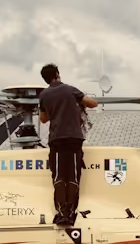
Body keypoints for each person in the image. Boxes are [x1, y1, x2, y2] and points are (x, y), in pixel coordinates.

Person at [38, 63, 99, 226]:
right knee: (72, 176)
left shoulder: (44, 95)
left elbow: (43, 119)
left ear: (45, 79)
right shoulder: (71, 90)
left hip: (56, 139)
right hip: (73, 139)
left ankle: (60, 212)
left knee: (58, 177)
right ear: (57, 74)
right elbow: (93, 103)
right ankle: (71, 213)